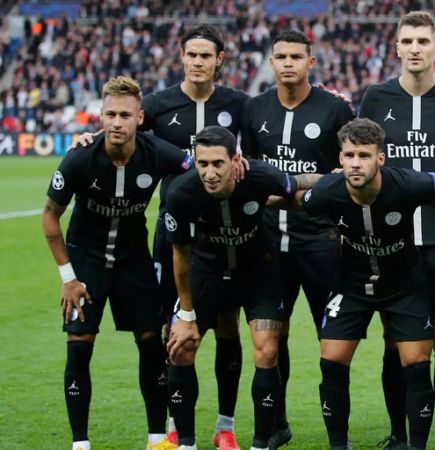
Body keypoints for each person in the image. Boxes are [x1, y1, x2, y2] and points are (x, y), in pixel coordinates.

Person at [72, 26, 249, 449]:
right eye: (191, 54)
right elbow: (121, 125)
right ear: (181, 57)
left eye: (206, 55)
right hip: (174, 234)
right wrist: (88, 140)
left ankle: (225, 427)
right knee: (174, 328)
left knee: (227, 326)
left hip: (226, 232)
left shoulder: (241, 105)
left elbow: (269, 128)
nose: (198, 62)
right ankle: (174, 425)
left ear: (219, 60)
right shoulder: (157, 104)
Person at [292, 118, 435, 450]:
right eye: (349, 155)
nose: (356, 163)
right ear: (340, 158)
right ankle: (338, 445)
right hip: (352, 284)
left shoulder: (407, 184)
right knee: (331, 360)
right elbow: (291, 198)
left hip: (405, 284)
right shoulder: (327, 191)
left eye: (364, 155)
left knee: (416, 364)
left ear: (381, 158)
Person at [42, 76, 193, 450]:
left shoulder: (156, 152)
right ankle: (81, 443)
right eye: (110, 114)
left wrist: (232, 163)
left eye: (125, 114)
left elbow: (199, 169)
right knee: (80, 344)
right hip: (86, 261)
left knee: (150, 344)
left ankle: (158, 439)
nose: (117, 122)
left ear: (139, 118)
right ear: (100, 116)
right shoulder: (80, 156)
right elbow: (49, 216)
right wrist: (68, 278)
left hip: (133, 261)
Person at [357, 11, 435, 450]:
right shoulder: (376, 97)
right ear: (397, 48)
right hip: (393, 242)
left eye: (423, 41)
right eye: (407, 41)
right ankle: (397, 433)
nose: (414, 48)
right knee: (395, 339)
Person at [240, 30, 355, 448]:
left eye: (296, 56)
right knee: (271, 342)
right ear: (271, 62)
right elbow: (251, 174)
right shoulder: (254, 109)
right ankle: (276, 427)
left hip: (322, 244)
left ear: (311, 62)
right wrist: (299, 191)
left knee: (333, 347)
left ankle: (337, 439)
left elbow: (345, 175)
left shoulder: (336, 110)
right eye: (281, 56)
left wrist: (286, 192)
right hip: (267, 247)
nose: (288, 63)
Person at [163, 126, 301, 450]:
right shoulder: (181, 193)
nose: (209, 173)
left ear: (235, 161)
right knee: (180, 347)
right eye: (202, 164)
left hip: (259, 273)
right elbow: (180, 254)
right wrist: (185, 313)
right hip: (207, 272)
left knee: (268, 348)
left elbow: (291, 187)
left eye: (218, 164)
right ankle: (185, 443)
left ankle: (259, 444)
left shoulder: (261, 177)